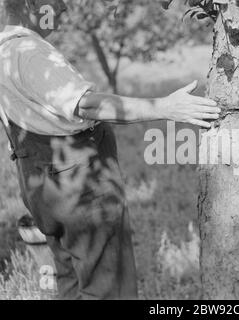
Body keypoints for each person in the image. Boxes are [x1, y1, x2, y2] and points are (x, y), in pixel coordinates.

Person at [0, 0, 220, 300]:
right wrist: (167, 107)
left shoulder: (4, 51)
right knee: (108, 288)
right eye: (57, 2)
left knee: (72, 281)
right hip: (77, 184)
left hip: (41, 182)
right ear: (31, 4)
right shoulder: (30, 53)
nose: (64, 8)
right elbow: (86, 104)